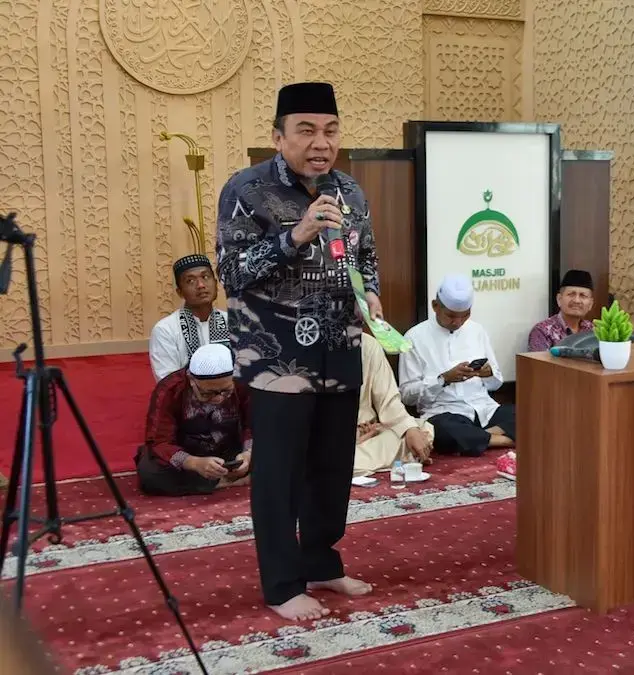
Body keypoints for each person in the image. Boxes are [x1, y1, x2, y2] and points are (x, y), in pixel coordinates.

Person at [216, 82, 379, 621]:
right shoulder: (245, 190)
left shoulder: (350, 191)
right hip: (277, 358)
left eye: (330, 131)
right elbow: (232, 273)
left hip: (339, 347)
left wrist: (371, 295)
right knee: (280, 475)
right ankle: (283, 584)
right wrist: (296, 235)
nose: (320, 143)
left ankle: (321, 562)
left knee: (332, 469)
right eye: (306, 131)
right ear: (278, 137)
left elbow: (365, 257)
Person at [398, 274, 516, 457]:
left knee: (527, 413)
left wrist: (488, 374)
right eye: (451, 316)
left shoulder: (477, 330)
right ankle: (505, 439)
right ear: (435, 306)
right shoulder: (414, 337)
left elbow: (496, 383)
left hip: (485, 409)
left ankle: (477, 438)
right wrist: (444, 379)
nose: (458, 322)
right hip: (445, 412)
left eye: (465, 316)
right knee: (442, 430)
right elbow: (407, 395)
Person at [135, 344, 252, 496]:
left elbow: (255, 425)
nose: (218, 399)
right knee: (149, 471)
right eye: (208, 393)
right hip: (189, 453)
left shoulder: (243, 383)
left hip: (231, 451)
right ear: (191, 380)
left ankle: (217, 480)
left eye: (226, 391)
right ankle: (226, 481)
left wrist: (248, 454)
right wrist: (193, 462)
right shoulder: (170, 389)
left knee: (276, 451)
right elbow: (160, 441)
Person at [353, 332, 434, 478]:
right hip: (326, 441)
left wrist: (409, 428)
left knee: (422, 429)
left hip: (368, 433)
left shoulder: (368, 344)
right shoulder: (309, 345)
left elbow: (388, 400)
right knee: (321, 457)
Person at [149, 255, 230, 381]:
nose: (201, 285)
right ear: (180, 292)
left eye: (205, 277)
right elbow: (168, 382)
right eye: (190, 281)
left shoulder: (233, 323)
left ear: (215, 283)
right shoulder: (165, 330)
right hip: (186, 393)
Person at [527, 269, 595, 351]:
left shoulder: (594, 331)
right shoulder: (543, 331)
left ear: (590, 304)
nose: (576, 300)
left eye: (583, 296)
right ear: (559, 299)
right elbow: (538, 360)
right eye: (571, 294)